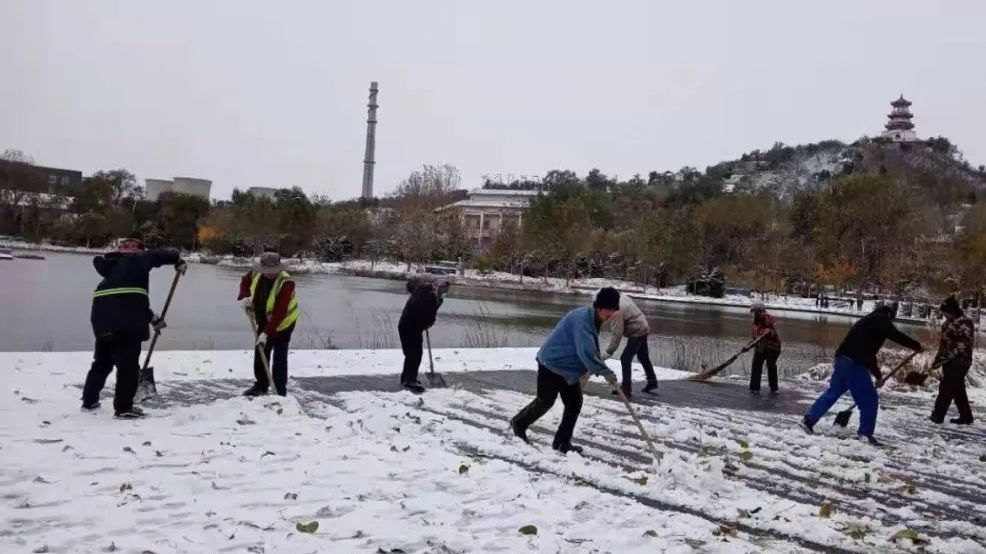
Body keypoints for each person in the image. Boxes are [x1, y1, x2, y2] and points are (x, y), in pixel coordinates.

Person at [82, 238, 185, 418]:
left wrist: (152, 318)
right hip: (126, 323)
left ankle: (89, 401)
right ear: (138, 251)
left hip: (102, 319)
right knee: (128, 366)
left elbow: (128, 300)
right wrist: (177, 259)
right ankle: (123, 408)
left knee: (102, 362)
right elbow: (158, 256)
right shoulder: (136, 260)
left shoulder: (112, 270)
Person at [510, 287, 621, 454]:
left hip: (567, 369)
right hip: (552, 363)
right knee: (545, 401)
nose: (611, 314)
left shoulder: (591, 318)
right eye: (609, 309)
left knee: (574, 403)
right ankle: (519, 423)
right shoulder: (583, 320)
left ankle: (562, 443)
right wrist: (604, 372)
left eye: (614, 310)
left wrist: (603, 369)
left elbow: (591, 349)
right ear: (599, 306)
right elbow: (587, 353)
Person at [800, 302, 922, 445]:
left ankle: (808, 420)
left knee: (833, 392)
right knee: (869, 399)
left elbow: (869, 354)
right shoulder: (881, 319)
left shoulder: (870, 320)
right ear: (891, 314)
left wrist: (878, 376)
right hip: (854, 363)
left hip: (842, 359)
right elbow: (895, 335)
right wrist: (916, 345)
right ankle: (865, 434)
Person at [237, 251, 299, 397]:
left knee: (279, 357)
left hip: (284, 323)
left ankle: (279, 390)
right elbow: (245, 282)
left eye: (273, 271)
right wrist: (245, 298)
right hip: (264, 319)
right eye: (267, 271)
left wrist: (266, 333)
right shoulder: (255, 273)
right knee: (261, 352)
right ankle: (261, 385)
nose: (270, 274)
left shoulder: (286, 283)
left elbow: (280, 311)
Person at [397, 276, 450, 393]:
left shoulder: (432, 294)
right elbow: (429, 312)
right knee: (414, 354)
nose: (445, 292)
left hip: (412, 326)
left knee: (412, 354)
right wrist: (427, 321)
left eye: (446, 290)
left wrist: (441, 297)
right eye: (444, 290)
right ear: (438, 287)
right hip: (409, 326)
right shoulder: (427, 293)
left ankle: (407, 377)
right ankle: (410, 380)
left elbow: (433, 307)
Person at [929, 296, 976, 425]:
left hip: (960, 362)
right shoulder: (948, 323)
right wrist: (937, 360)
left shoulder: (965, 323)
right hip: (948, 361)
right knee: (958, 389)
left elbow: (963, 345)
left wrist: (948, 356)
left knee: (946, 388)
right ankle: (966, 417)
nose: (943, 314)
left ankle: (938, 415)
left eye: (944, 311)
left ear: (950, 311)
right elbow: (944, 344)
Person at [602, 292, 656, 397]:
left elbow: (617, 334)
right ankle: (652, 381)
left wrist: (609, 351)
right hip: (644, 325)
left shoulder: (616, 311)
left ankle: (626, 390)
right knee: (643, 356)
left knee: (625, 358)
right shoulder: (622, 297)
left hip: (637, 331)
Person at [749, 302, 782, 395]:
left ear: (760, 311)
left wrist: (770, 331)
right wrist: (749, 345)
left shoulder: (769, 318)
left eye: (755, 312)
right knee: (756, 366)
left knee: (771, 366)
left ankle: (774, 389)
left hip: (772, 348)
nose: (754, 314)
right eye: (753, 312)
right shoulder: (756, 321)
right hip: (760, 347)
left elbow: (776, 333)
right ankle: (754, 388)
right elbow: (755, 336)